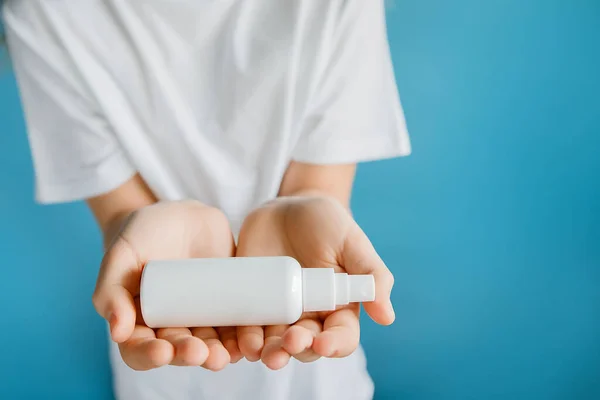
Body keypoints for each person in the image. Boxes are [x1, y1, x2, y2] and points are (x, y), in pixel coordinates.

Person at [3, 0, 411, 399]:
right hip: (162, 364)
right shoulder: (44, 12)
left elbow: (317, 188)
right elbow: (121, 215)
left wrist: (311, 207)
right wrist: (134, 227)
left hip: (318, 376)